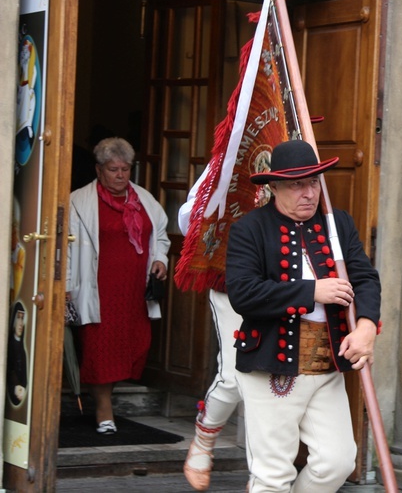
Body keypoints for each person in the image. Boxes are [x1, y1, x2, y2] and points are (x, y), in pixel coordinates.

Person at [225, 139, 381, 492]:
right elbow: (244, 293)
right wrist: (311, 292)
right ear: (275, 187)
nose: (308, 193)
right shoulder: (250, 229)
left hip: (327, 363)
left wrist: (367, 326)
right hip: (273, 366)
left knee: (337, 462)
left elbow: (365, 278)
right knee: (272, 475)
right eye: (296, 184)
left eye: (313, 182)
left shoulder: (336, 223)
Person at [67, 137, 170, 434]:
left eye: (126, 169)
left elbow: (160, 235)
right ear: (99, 170)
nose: (121, 175)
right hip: (98, 288)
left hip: (133, 290)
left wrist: (160, 259)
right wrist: (67, 288)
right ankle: (104, 411)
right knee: (99, 348)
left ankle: (105, 401)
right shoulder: (79, 201)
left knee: (134, 343)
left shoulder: (144, 199)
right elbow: (69, 247)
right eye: (114, 169)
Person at [178, 169, 245, 491]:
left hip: (286, 286)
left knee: (281, 384)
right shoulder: (235, 153)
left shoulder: (303, 153)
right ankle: (203, 443)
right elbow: (188, 217)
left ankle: (266, 478)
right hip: (234, 280)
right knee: (233, 377)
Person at [6, 302, 28, 406]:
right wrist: (14, 388)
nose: (20, 323)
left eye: (22, 318)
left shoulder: (24, 349)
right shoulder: (9, 346)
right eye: (18, 318)